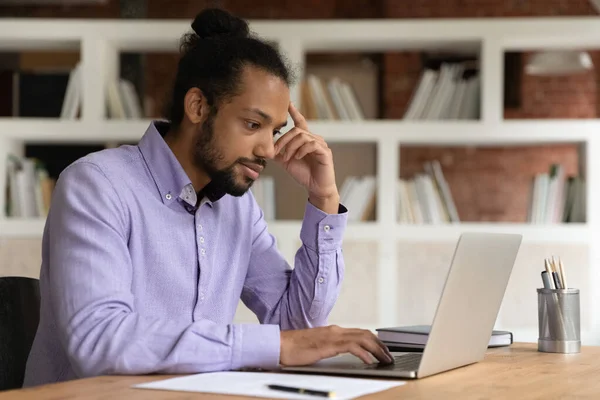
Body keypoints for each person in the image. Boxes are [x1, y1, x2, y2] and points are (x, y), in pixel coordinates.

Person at [23, 8, 393, 387]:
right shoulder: (96, 186)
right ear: (198, 107)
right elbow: (99, 342)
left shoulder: (237, 207)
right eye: (253, 124)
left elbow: (295, 327)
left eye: (276, 130)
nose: (268, 149)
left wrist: (324, 198)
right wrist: (272, 347)